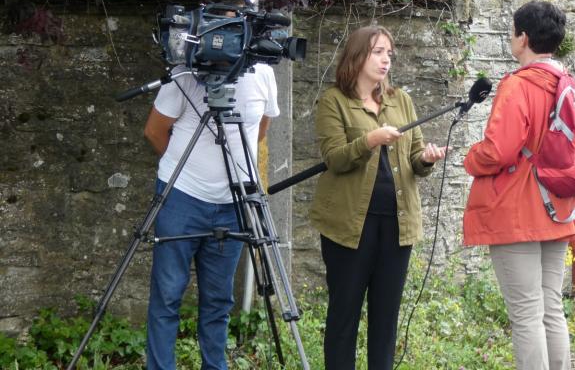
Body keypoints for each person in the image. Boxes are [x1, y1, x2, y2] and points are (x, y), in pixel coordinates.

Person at [462, 1, 575, 370]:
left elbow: (498, 151)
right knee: (550, 306)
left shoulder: (519, 85)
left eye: (512, 32)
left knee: (525, 314)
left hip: (517, 209)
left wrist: (470, 158)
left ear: (522, 38)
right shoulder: (568, 84)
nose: (511, 38)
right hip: (558, 205)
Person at [309, 25, 447, 369]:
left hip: (397, 226)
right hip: (349, 227)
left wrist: (426, 159)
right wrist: (370, 140)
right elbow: (335, 158)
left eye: (389, 53)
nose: (386, 59)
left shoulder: (401, 100)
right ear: (358, 56)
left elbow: (414, 157)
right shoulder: (334, 101)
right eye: (378, 52)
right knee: (344, 315)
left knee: (386, 317)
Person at [143, 62, 279, 370]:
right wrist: (188, 171)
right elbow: (154, 130)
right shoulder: (187, 70)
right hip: (181, 198)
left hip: (233, 202)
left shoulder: (264, 74)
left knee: (219, 300)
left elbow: (259, 130)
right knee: (167, 294)